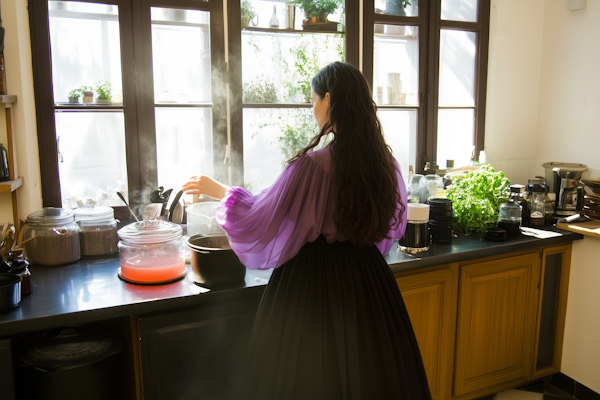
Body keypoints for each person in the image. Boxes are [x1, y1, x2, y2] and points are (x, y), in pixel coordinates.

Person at [183, 62, 431, 400]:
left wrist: (222, 192)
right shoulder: (387, 164)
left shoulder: (313, 167)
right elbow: (390, 231)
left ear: (328, 100)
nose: (312, 109)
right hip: (370, 281)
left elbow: (263, 215)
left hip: (310, 284)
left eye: (313, 101)